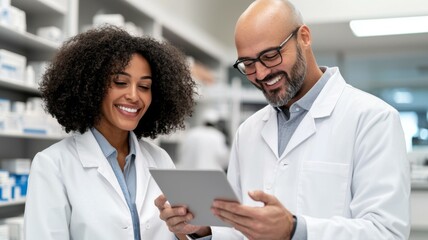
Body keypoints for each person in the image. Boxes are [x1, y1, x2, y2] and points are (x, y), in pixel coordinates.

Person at [154, 0, 411, 239]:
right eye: (248, 64)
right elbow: (239, 227)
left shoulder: (373, 119)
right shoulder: (249, 132)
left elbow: (387, 231)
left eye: (270, 56)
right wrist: (204, 229)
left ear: (304, 37)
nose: (262, 73)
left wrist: (294, 229)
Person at [23, 25, 196, 240]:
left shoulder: (160, 160)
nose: (134, 96)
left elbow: (182, 234)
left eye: (144, 87)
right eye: (120, 82)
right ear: (91, 86)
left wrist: (190, 230)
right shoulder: (53, 164)